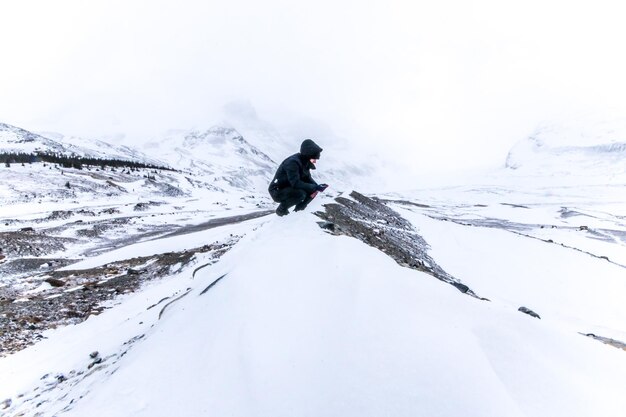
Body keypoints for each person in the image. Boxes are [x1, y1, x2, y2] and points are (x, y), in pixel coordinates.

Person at [268, 139, 329, 216]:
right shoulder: (293, 163)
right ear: (308, 155)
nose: (315, 162)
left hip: (289, 188)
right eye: (314, 159)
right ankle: (281, 210)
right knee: (300, 194)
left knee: (314, 191)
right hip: (277, 191)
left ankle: (297, 213)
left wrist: (317, 187)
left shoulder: (305, 163)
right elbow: (295, 183)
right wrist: (315, 187)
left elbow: (308, 179)